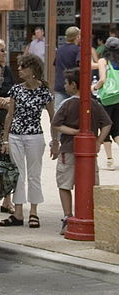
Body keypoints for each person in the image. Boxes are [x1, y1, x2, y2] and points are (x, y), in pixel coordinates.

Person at [53, 68, 112, 235]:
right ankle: (89, 213)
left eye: (66, 83)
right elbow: (107, 123)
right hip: (89, 152)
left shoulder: (67, 104)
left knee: (64, 183)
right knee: (91, 183)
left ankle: (67, 216)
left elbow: (56, 124)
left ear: (73, 85)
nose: (64, 86)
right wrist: (98, 141)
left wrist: (73, 132)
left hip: (68, 149)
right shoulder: (94, 104)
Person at [0, 53, 55, 229]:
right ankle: (18, 212)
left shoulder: (44, 92)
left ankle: (34, 212)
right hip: (15, 135)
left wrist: (56, 141)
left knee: (34, 175)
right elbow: (10, 115)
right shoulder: (16, 89)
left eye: (23, 67)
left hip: (35, 136)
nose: (19, 69)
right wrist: (5, 139)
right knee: (19, 175)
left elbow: (53, 118)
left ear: (32, 70)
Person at [0, 38, 18, 214]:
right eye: (1, 50)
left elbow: (14, 91)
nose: (4, 53)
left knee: (7, 159)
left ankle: (7, 200)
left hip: (6, 119)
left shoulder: (7, 70)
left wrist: (7, 101)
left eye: (4, 50)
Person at [90, 36, 119, 170]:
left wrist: (94, 87)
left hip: (107, 99)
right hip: (118, 98)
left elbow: (102, 79)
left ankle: (109, 160)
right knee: (117, 130)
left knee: (106, 127)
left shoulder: (103, 61)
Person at [53, 26, 81, 111]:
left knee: (58, 112)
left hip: (59, 84)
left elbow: (55, 64)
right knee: (74, 112)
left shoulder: (59, 50)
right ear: (77, 37)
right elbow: (80, 65)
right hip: (73, 86)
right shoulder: (78, 50)